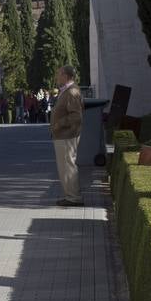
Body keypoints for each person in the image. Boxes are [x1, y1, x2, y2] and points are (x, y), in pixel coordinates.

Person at [50, 64, 85, 207]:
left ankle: (73, 197)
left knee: (68, 166)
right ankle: (70, 196)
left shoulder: (71, 92)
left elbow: (76, 116)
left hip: (67, 135)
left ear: (66, 76)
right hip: (63, 135)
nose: (57, 77)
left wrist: (59, 124)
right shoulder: (67, 91)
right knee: (65, 166)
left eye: (59, 74)